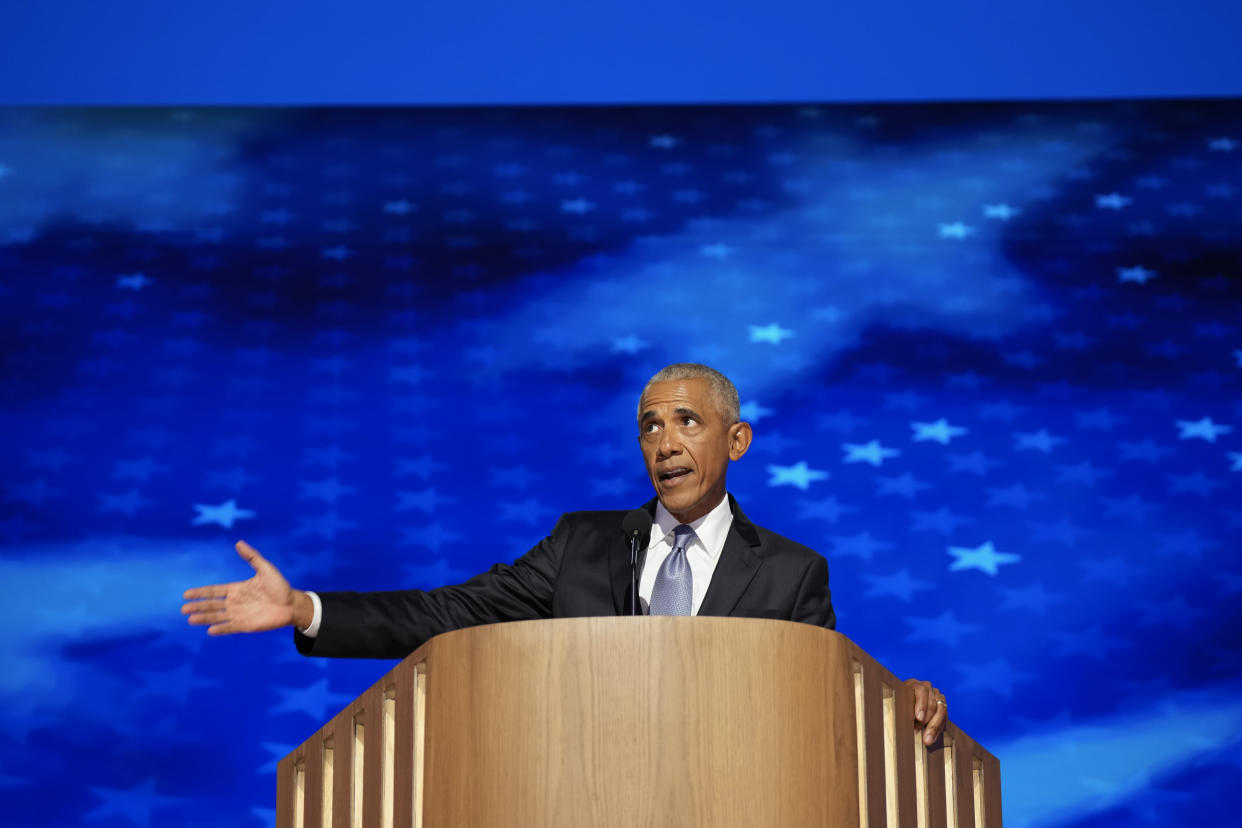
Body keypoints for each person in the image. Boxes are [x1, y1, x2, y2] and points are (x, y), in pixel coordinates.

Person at [183, 363, 949, 745]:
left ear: (736, 440)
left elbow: (819, 698)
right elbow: (449, 612)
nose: (665, 442)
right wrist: (306, 608)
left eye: (686, 421)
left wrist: (896, 697)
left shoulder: (791, 571)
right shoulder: (582, 544)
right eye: (649, 426)